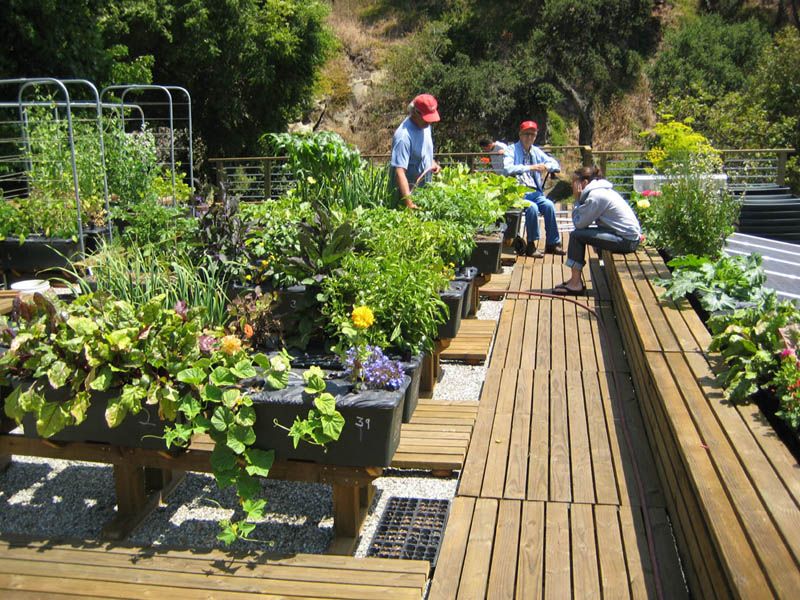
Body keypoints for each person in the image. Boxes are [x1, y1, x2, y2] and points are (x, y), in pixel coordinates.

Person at [553, 165, 641, 295]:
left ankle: (575, 284)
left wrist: (577, 200)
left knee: (576, 236)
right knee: (583, 234)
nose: (572, 187)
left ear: (584, 183)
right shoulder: (602, 191)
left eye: (574, 182)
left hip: (626, 241)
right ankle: (574, 280)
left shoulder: (596, 196)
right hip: (625, 236)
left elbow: (579, 223)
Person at [503, 121, 564, 258]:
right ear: (520, 134)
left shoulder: (536, 151)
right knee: (532, 208)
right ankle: (531, 245)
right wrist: (530, 167)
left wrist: (547, 167)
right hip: (519, 192)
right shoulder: (511, 150)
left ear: (535, 136)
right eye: (526, 134)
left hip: (535, 191)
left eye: (532, 134)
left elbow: (554, 163)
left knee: (549, 205)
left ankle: (552, 244)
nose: (529, 137)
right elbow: (508, 168)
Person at [390, 94, 442, 209]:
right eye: (427, 118)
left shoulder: (425, 126)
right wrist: (409, 203)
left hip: (424, 193)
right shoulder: (403, 137)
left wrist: (431, 162)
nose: (430, 122)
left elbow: (423, 150)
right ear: (415, 113)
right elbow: (399, 172)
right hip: (407, 196)